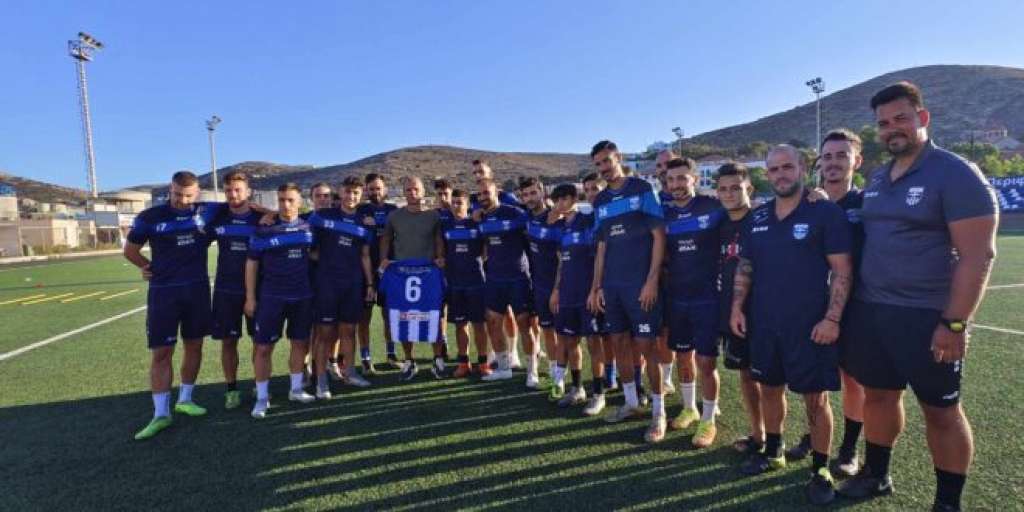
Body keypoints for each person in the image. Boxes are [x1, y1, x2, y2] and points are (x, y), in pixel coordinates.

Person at [837, 82, 999, 512]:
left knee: (941, 411)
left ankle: (947, 503)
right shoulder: (878, 176)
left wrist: (955, 322)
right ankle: (877, 474)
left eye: (901, 118)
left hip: (927, 316)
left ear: (922, 118)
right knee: (879, 396)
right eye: (883, 123)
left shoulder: (955, 173)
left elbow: (978, 255)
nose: (892, 129)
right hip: (873, 311)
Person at [730, 144, 853, 505]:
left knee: (815, 398)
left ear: (802, 168)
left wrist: (832, 318)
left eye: (787, 167)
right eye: (774, 169)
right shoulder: (758, 216)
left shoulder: (824, 213)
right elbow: (746, 266)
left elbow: (842, 270)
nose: (780, 174)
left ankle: (820, 468)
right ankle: (774, 450)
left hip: (810, 325)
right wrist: (737, 307)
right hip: (764, 323)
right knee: (769, 388)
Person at [785, 128, 869, 475]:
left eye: (842, 156)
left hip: (857, 306)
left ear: (857, 161)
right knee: (815, 381)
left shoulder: (867, 204)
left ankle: (849, 448)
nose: (833, 163)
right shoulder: (806, 203)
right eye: (828, 157)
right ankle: (814, 435)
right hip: (812, 305)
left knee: (853, 381)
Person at [585, 140, 666, 443]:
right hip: (613, 287)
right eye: (598, 164)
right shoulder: (601, 200)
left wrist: (652, 280)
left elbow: (659, 237)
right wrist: (596, 287)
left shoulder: (642, 189)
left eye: (607, 161)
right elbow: (601, 248)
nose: (604, 168)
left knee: (647, 347)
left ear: (619, 158)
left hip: (640, 285)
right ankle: (631, 402)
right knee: (618, 343)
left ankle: (658, 413)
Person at [124, 171, 215, 440]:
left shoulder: (206, 212)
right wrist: (148, 267)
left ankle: (185, 399)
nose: (182, 200)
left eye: (188, 196)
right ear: (169, 189)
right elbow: (130, 251)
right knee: (162, 352)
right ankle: (161, 413)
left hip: (197, 291)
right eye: (177, 194)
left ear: (197, 193)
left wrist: (266, 213)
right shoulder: (150, 217)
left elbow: (242, 206)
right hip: (164, 294)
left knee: (194, 345)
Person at [661, 157, 727, 448]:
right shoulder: (664, 214)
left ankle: (708, 419)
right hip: (677, 297)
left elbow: (747, 211)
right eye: (671, 179)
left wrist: (813, 195)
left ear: (695, 180)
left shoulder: (713, 207)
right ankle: (689, 408)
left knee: (706, 361)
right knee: (683, 356)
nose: (676, 184)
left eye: (681, 178)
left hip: (707, 298)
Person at [244, 183, 318, 419]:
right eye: (282, 200)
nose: (286, 204)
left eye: (291, 200)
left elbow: (316, 254)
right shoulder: (264, 229)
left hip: (302, 296)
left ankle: (295, 390)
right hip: (271, 297)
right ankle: (262, 397)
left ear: (300, 201)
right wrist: (250, 297)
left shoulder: (309, 227)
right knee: (263, 347)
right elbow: (251, 264)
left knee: (300, 344)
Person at [307, 176, 376, 398]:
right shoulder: (323, 216)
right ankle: (321, 381)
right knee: (324, 333)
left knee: (349, 330)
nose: (351, 196)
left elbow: (365, 256)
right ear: (341, 192)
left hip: (353, 284)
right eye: (348, 192)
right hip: (327, 284)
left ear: (361, 195)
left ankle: (350, 373)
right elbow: (309, 248)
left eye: (356, 193)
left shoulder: (364, 223)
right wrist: (327, 263)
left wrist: (370, 283)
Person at [714, 163, 763, 457]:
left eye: (736, 187)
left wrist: (815, 194)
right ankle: (759, 434)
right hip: (729, 313)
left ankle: (780, 439)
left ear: (750, 189)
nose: (729, 194)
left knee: (770, 381)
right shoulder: (718, 222)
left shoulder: (762, 220)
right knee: (745, 375)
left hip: (763, 312)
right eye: (723, 189)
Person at [379, 176, 446, 381]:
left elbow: (438, 239)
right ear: (403, 192)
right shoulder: (394, 216)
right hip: (402, 275)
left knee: (434, 315)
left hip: (428, 274)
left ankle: (438, 359)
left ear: (423, 191)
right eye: (408, 190)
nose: (412, 193)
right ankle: (409, 360)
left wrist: (440, 257)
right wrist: (384, 259)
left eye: (416, 189)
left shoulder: (433, 215)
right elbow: (386, 238)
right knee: (404, 317)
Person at [205, 171, 263, 411]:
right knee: (228, 342)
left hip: (257, 289)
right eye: (228, 190)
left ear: (248, 191)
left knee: (259, 341)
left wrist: (268, 212)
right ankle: (231, 389)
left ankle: (259, 386)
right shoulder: (218, 217)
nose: (233, 194)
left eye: (238, 190)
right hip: (225, 290)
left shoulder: (262, 219)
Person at [548, 182, 604, 413]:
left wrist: (595, 289)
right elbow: (561, 263)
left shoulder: (588, 221)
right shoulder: (560, 228)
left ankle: (599, 394)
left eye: (564, 199)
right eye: (556, 200)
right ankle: (577, 388)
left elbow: (600, 257)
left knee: (594, 343)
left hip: (587, 294)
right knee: (571, 342)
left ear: (574, 199)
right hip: (567, 293)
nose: (560, 204)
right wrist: (556, 290)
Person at [476, 178, 535, 382]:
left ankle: (532, 371)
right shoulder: (481, 218)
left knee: (524, 324)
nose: (483, 197)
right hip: (494, 278)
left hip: (518, 277)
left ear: (497, 192)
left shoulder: (515, 213)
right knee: (493, 322)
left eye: (486, 193)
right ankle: (504, 368)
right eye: (480, 194)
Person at [470, 159, 527, 368]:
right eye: (475, 172)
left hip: (515, 265)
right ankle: (497, 353)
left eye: (481, 171)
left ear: (490, 174)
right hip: (491, 267)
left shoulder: (508, 199)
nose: (478, 175)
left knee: (513, 315)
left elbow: (523, 218)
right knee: (493, 316)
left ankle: (514, 352)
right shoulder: (475, 200)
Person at [440, 189, 490, 378]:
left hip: (476, 281)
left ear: (468, 205)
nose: (456, 206)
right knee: (460, 324)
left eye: (460, 202)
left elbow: (486, 248)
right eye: (453, 202)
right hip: (455, 283)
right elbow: (441, 249)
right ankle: (463, 363)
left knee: (479, 324)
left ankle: (483, 363)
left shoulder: (477, 223)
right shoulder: (445, 225)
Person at [520, 177, 563, 394]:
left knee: (565, 335)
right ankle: (556, 377)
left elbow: (563, 259)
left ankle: (570, 380)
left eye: (533, 193)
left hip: (558, 287)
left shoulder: (556, 219)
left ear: (542, 192)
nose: (529, 198)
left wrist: (557, 289)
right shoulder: (527, 217)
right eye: (525, 195)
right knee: (547, 331)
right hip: (538, 285)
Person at [357, 174, 400, 372]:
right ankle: (366, 359)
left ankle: (391, 354)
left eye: (378, 188)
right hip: (364, 271)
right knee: (364, 318)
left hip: (389, 271)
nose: (375, 192)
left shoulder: (394, 210)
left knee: (389, 315)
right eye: (372, 189)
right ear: (366, 190)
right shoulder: (360, 210)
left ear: (385, 189)